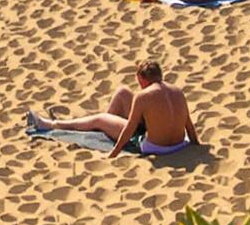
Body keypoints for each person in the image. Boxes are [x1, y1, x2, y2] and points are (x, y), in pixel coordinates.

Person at [25, 59, 199, 158]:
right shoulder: (177, 92)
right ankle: (99, 128)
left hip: (152, 147)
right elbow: (189, 126)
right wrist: (196, 146)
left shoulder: (143, 97)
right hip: (178, 143)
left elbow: (130, 129)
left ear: (143, 80)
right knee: (123, 92)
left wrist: (114, 153)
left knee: (100, 119)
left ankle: (51, 125)